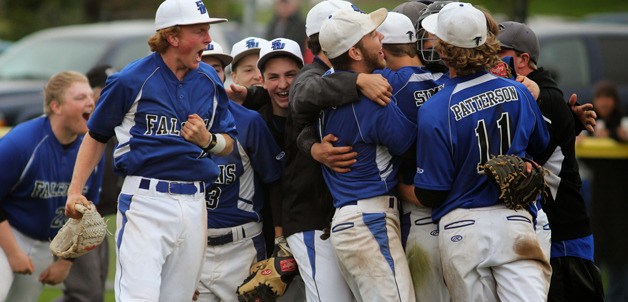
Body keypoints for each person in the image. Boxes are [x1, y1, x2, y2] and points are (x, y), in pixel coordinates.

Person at [63, 0, 237, 300]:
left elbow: (229, 143)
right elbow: (96, 135)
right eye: (200, 31)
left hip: (195, 203)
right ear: (173, 37)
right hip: (146, 201)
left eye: (207, 30)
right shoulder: (130, 79)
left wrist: (208, 141)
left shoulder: (209, 80)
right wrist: (75, 190)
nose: (208, 39)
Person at [414, 3, 551, 301]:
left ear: (446, 50)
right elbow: (541, 144)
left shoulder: (435, 109)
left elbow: (432, 191)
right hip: (515, 221)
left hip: (462, 227)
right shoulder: (517, 91)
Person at [498, 20, 605, 302]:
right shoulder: (533, 94)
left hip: (565, 240)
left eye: (499, 54)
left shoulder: (544, 96)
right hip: (540, 236)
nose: (490, 61)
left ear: (522, 59)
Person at [318, 8, 417, 301]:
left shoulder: (328, 85)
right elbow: (412, 147)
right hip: (368, 220)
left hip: (352, 220)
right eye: (373, 35)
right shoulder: (372, 100)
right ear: (355, 52)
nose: (381, 38)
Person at [0, 71, 104, 302]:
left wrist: (66, 262)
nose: (90, 101)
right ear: (56, 107)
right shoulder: (21, 143)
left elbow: (85, 216)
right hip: (7, 234)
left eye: (90, 95)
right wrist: (13, 252)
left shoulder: (91, 148)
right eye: (79, 97)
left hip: (43, 244)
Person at [195, 41, 285, 302]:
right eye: (201, 65)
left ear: (224, 74)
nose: (209, 73)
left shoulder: (248, 121)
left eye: (215, 67)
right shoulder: (176, 121)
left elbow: (275, 180)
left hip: (243, 246)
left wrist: (279, 242)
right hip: (194, 247)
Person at [55, 65, 120, 302]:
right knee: (85, 294)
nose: (111, 95)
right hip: (73, 219)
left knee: (95, 294)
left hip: (97, 217)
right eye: (104, 89)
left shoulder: (112, 125)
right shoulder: (80, 129)